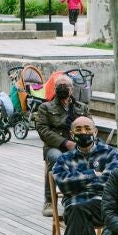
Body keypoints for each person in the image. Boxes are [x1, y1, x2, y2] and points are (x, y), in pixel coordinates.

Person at [44, 117, 118, 235]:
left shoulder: (111, 154)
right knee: (80, 216)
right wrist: (94, 174)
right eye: (78, 129)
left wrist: (78, 181)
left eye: (87, 128)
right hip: (76, 210)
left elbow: (111, 181)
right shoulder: (64, 158)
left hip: (103, 208)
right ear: (72, 134)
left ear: (95, 132)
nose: (83, 132)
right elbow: (64, 184)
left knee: (77, 210)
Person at [35, 75, 89, 216]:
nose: (63, 88)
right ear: (55, 89)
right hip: (54, 146)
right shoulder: (45, 107)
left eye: (66, 86)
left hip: (78, 146)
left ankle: (76, 198)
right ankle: (49, 201)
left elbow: (90, 126)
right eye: (60, 86)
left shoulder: (81, 107)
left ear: (72, 89)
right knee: (57, 158)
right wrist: (65, 142)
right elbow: (43, 130)